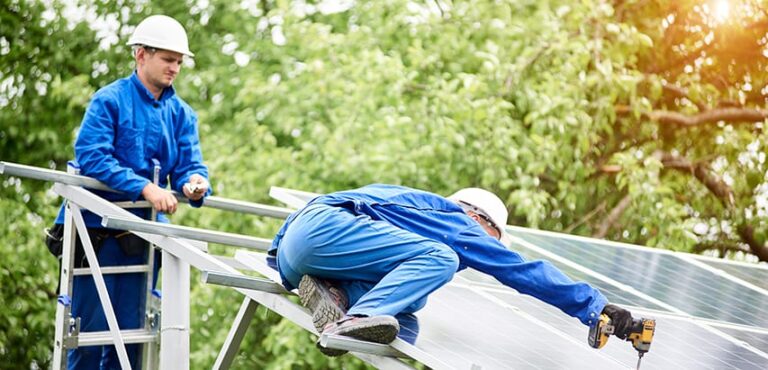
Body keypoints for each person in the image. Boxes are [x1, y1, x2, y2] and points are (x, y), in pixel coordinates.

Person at [269, 184, 635, 356]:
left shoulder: (411, 205)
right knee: (442, 258)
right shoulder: (457, 220)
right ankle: (357, 314)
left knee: (408, 312)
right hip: (325, 229)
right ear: (477, 218)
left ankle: (338, 297)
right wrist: (594, 306)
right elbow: (520, 270)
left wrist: (284, 258)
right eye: (491, 239)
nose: (485, 249)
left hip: (296, 250)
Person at [51, 14, 211, 369]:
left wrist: (195, 184)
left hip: (142, 239)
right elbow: (91, 156)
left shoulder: (182, 115)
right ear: (141, 55)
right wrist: (145, 187)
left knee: (133, 343)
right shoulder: (109, 100)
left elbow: (190, 165)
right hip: (96, 235)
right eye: (168, 59)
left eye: (179, 62)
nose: (175, 68)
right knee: (88, 339)